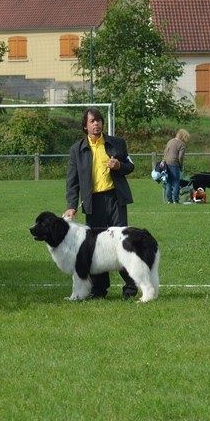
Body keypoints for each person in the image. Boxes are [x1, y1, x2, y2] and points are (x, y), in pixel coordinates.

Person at [64, 107, 137, 300]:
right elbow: (72, 181)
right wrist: (72, 205)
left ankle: (130, 289)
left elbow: (131, 166)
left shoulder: (117, 144)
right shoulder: (77, 150)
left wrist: (119, 166)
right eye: (92, 121)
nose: (97, 124)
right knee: (96, 247)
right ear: (85, 126)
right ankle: (99, 290)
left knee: (121, 244)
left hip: (115, 199)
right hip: (92, 203)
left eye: (99, 120)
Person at [162, 128, 190, 204]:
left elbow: (165, 152)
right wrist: (180, 165)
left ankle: (169, 200)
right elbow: (180, 157)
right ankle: (175, 200)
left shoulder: (170, 141)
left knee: (168, 182)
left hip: (166, 163)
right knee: (176, 182)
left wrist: (164, 161)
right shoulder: (182, 144)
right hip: (174, 164)